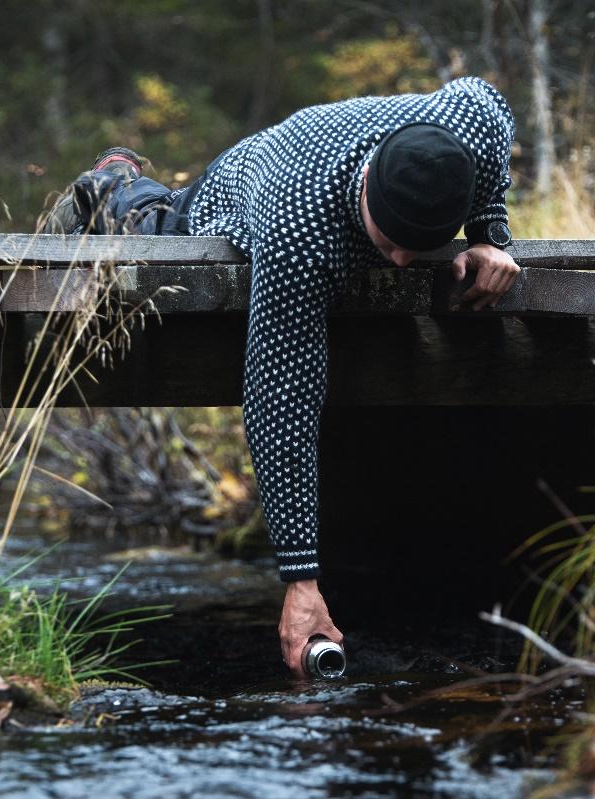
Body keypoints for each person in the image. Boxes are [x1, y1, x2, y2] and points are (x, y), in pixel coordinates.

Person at [43, 76, 520, 676]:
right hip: (243, 186)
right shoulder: (296, 228)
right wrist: (301, 580)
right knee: (159, 232)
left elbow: (488, 97)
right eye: (392, 239)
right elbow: (281, 406)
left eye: (419, 245)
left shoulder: (468, 128)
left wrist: (487, 237)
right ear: (368, 184)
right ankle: (114, 178)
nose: (401, 260)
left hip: (321, 162)